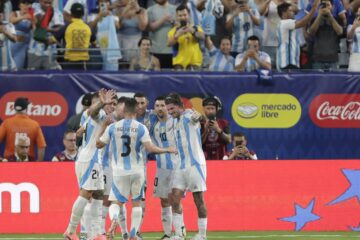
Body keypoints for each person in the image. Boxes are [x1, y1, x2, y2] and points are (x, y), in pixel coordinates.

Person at [96, 98, 176, 240]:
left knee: (115, 203)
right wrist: (167, 149)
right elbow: (150, 149)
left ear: (125, 110)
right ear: (135, 111)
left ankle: (114, 218)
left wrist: (102, 127)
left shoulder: (113, 127)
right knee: (136, 203)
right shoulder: (140, 127)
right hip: (137, 171)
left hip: (119, 171)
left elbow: (98, 144)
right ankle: (133, 234)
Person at [63, 89, 117, 240]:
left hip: (92, 159)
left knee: (98, 194)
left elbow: (80, 132)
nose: (111, 107)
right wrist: (102, 104)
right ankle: (71, 230)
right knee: (86, 194)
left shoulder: (100, 117)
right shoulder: (98, 114)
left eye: (114, 104)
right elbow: (93, 115)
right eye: (109, 103)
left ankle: (96, 233)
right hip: (90, 158)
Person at [165, 93, 207, 240]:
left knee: (198, 200)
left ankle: (202, 235)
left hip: (195, 164)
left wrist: (200, 117)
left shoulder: (189, 116)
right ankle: (179, 234)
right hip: (180, 165)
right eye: (168, 109)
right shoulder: (172, 121)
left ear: (180, 106)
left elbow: (199, 117)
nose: (170, 111)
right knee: (174, 197)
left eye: (172, 108)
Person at [149, 96, 186, 240]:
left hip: (176, 167)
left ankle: (180, 233)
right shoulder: (154, 125)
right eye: (157, 105)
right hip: (161, 168)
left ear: (167, 107)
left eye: (162, 105)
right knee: (163, 201)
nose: (159, 108)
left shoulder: (175, 121)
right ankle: (167, 234)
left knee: (175, 200)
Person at [276, 0, 319, 70]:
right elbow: (303, 22)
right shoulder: (284, 23)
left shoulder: (287, 24)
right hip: (287, 64)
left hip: (292, 63)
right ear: (284, 13)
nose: (293, 13)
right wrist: (314, 8)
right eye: (290, 11)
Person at [0, 97, 46, 161]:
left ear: (15, 109)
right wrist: (39, 163)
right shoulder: (34, 124)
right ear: (26, 109)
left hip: (9, 161)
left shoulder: (7, 123)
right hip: (29, 161)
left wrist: (1, 160)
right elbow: (41, 146)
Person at [27, 0, 64, 70]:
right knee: (33, 76)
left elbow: (60, 29)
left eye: (49, 3)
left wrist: (48, 29)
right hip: (34, 50)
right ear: (40, 1)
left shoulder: (57, 13)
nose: (47, 5)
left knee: (51, 76)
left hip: (50, 51)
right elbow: (35, 23)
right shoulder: (34, 8)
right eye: (45, 2)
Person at [167, 4, 205, 70]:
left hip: (195, 63)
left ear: (189, 15)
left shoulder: (196, 27)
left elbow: (203, 37)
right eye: (180, 15)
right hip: (179, 64)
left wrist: (192, 31)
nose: (182, 17)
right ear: (176, 16)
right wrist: (177, 35)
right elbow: (169, 43)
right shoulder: (173, 31)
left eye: (185, 15)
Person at [88, 0, 122, 71]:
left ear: (109, 4)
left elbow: (118, 27)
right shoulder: (93, 16)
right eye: (102, 2)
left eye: (106, 2)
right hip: (98, 50)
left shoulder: (114, 17)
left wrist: (111, 17)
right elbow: (90, 28)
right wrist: (98, 17)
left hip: (111, 50)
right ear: (99, 4)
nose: (104, 4)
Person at [61, 3, 96, 70]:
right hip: (84, 62)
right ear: (83, 14)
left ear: (71, 14)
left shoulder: (66, 27)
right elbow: (94, 43)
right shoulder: (88, 27)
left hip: (68, 62)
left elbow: (52, 40)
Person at [147, 0, 176, 69]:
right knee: (155, 77)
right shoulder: (150, 10)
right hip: (155, 49)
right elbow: (150, 27)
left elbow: (181, 26)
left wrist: (171, 21)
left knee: (172, 77)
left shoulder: (175, 9)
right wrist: (164, 19)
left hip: (172, 50)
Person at [200, 96, 231, 160]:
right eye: (208, 108)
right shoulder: (199, 124)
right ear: (203, 109)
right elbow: (198, 144)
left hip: (221, 159)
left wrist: (218, 130)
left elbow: (229, 140)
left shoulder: (224, 123)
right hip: (205, 160)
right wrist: (206, 130)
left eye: (212, 108)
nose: (210, 111)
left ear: (216, 109)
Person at [9, 0, 34, 70]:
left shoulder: (32, 15)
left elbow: (35, 29)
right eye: (24, 3)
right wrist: (23, 17)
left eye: (28, 3)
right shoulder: (15, 13)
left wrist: (32, 19)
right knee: (18, 67)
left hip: (28, 44)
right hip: (17, 45)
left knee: (29, 68)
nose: (26, 5)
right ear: (19, 5)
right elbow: (12, 20)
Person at [347, 6, 360, 72]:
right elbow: (349, 38)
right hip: (355, 59)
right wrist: (353, 28)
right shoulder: (351, 26)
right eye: (359, 14)